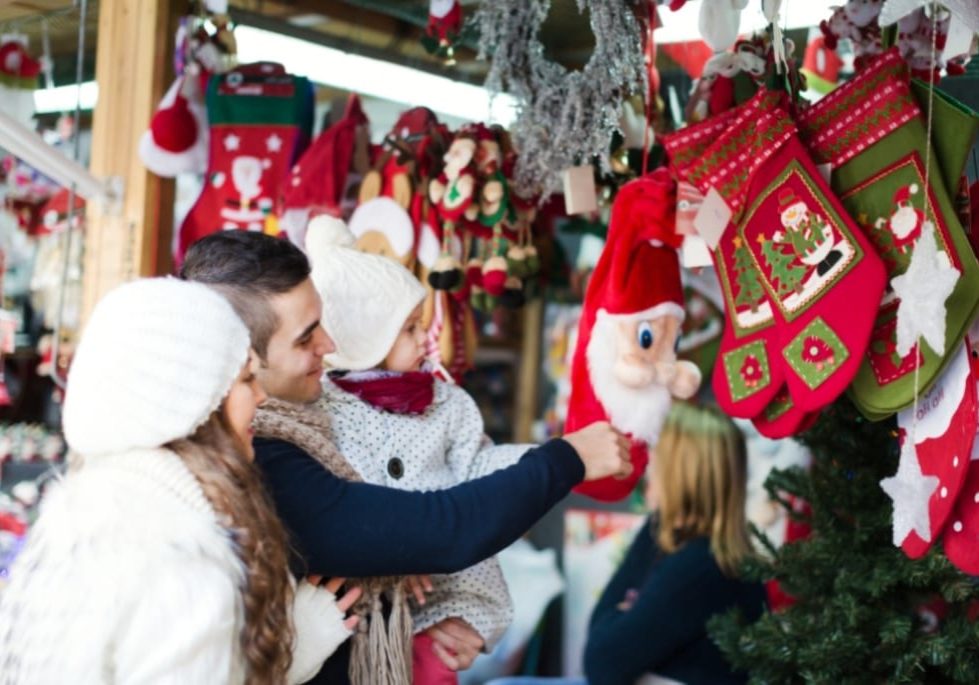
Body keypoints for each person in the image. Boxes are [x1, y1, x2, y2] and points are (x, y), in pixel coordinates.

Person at [180, 230, 631, 683]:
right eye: (305, 339)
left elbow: (403, 528)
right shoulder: (262, 461)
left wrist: (414, 579)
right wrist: (565, 459)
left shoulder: (298, 426)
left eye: (322, 322)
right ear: (241, 358)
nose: (330, 345)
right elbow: (441, 529)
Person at [0, 279, 355, 684]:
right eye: (244, 380)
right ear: (193, 400)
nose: (260, 396)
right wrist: (294, 652)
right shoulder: (178, 563)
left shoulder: (84, 516)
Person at [305, 217, 537, 684]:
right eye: (410, 329)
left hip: (443, 595)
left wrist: (531, 463)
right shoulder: (322, 408)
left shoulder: (444, 401)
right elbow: (340, 494)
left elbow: (478, 462)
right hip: (368, 612)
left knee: (435, 669)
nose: (425, 343)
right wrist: (393, 549)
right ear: (362, 337)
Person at [582, 402, 768, 685]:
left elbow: (601, 663)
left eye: (658, 454)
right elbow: (599, 639)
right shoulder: (666, 534)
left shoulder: (704, 565)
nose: (648, 464)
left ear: (682, 471)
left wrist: (625, 614)